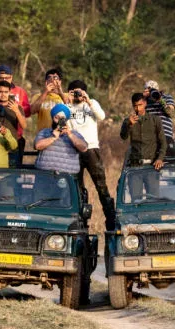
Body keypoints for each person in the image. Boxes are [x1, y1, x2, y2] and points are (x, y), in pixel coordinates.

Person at [66, 79, 115, 230]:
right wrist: (67, 101)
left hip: (92, 148)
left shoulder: (91, 102)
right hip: (74, 150)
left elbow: (101, 116)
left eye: (80, 91)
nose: (77, 95)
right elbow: (64, 126)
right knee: (77, 187)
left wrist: (88, 101)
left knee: (101, 185)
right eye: (74, 92)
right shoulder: (67, 107)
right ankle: (81, 221)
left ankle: (111, 219)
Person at [120, 92, 166, 201]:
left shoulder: (155, 120)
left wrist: (160, 158)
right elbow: (123, 137)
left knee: (154, 200)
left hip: (151, 166)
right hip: (135, 167)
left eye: (140, 105)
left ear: (145, 104)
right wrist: (129, 125)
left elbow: (163, 142)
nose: (137, 108)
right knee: (136, 200)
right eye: (135, 105)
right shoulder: (128, 120)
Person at [34, 104, 88, 174]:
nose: (59, 121)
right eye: (57, 117)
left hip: (67, 176)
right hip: (44, 174)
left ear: (66, 120)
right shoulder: (45, 132)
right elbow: (37, 146)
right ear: (53, 118)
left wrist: (70, 135)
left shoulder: (74, 134)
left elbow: (84, 148)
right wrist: (53, 137)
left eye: (62, 118)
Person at [143, 80, 175, 156]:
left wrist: (160, 100)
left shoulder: (166, 97)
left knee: (169, 160)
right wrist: (143, 98)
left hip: (165, 135)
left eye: (153, 90)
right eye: (148, 89)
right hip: (151, 138)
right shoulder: (144, 102)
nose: (152, 93)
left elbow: (169, 111)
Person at [0, 80, 27, 144]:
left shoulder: (17, 107)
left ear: (9, 92)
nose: (3, 94)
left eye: (6, 92)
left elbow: (24, 126)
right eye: (0, 92)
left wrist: (16, 111)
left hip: (12, 144)